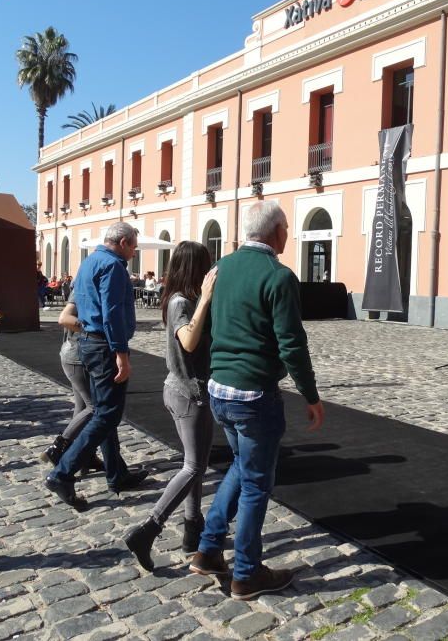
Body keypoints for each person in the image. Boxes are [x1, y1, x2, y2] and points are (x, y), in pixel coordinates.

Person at [189, 201, 324, 601]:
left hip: (219, 388)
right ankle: (246, 573)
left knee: (241, 468)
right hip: (253, 394)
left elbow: (211, 325)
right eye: (287, 227)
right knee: (255, 486)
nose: (289, 234)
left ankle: (210, 549)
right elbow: (291, 344)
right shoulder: (278, 276)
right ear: (276, 231)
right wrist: (311, 395)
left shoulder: (222, 268)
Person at [125, 242, 217, 571]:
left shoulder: (187, 299)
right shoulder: (181, 301)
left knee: (197, 464)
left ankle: (193, 529)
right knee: (193, 467)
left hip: (190, 391)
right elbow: (189, 341)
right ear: (194, 268)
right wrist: (205, 298)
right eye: (206, 265)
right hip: (186, 393)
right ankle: (148, 529)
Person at [45, 222, 148, 510]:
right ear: (124, 241)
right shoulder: (114, 266)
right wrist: (122, 355)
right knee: (106, 414)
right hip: (104, 345)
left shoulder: (90, 261)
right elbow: (112, 312)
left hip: (88, 343)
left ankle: (117, 474)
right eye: (134, 245)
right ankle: (62, 472)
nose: (135, 250)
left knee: (105, 412)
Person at [40, 301, 104, 474]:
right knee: (95, 408)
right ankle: (58, 448)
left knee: (82, 407)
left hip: (75, 354)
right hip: (76, 355)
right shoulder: (82, 286)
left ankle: (86, 456)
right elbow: (64, 318)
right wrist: (95, 331)